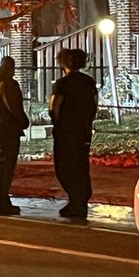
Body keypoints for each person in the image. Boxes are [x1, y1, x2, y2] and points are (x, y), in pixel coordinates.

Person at [49, 48, 98, 220]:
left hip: (65, 131)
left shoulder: (62, 84)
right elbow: (94, 105)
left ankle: (76, 199)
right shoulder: (89, 82)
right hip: (83, 131)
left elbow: (54, 107)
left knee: (64, 167)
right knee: (81, 166)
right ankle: (79, 200)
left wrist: (57, 123)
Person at [0, 56, 28, 216]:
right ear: (11, 69)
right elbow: (14, 107)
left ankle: (2, 197)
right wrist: (23, 122)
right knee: (6, 163)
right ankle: (2, 199)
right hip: (6, 128)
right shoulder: (8, 84)